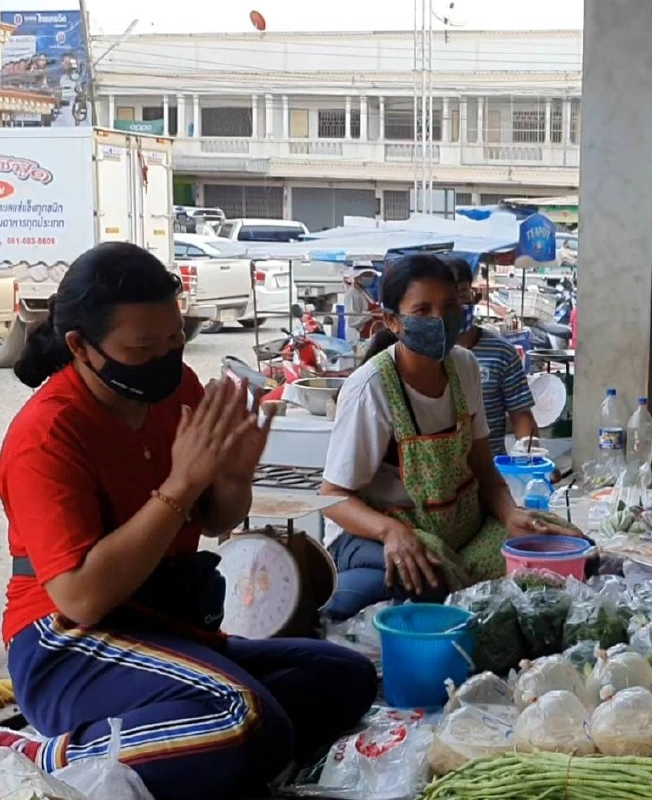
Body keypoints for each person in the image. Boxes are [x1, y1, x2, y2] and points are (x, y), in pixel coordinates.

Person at [0, 243, 375, 800]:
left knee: (346, 678)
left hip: (162, 624)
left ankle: (198, 745)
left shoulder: (179, 390)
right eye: (143, 347)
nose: (165, 357)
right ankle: (47, 752)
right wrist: (178, 486)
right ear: (80, 346)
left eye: (174, 339)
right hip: (66, 642)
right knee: (243, 719)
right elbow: (80, 598)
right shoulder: (46, 435)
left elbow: (219, 516)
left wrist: (232, 476)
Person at [319, 254, 571, 620]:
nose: (439, 319)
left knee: (554, 546)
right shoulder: (371, 388)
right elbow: (332, 498)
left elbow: (483, 469)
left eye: (449, 305)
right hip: (374, 531)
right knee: (426, 577)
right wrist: (390, 531)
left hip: (459, 530)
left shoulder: (464, 366)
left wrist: (509, 512)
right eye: (422, 310)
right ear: (393, 321)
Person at [445, 256, 538, 455]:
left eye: (461, 293)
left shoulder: (502, 352)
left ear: (474, 296)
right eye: (447, 297)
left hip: (491, 470)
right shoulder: (426, 355)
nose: (456, 305)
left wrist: (532, 457)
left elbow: (520, 413)